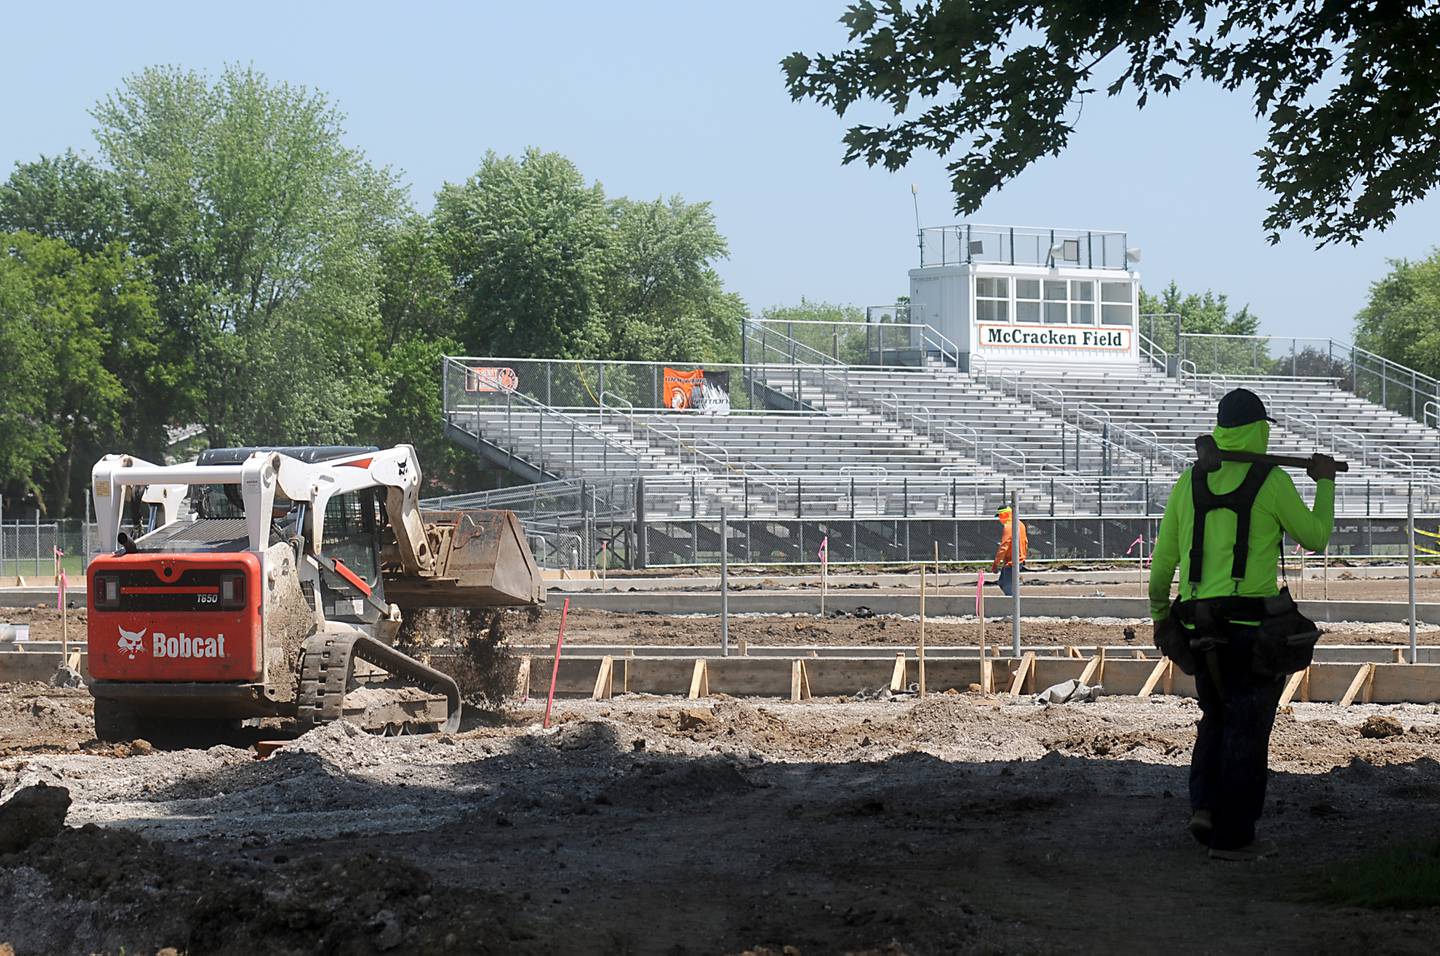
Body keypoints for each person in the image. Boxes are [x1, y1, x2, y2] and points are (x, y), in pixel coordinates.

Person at [1149, 388, 1337, 861]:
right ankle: (1233, 839)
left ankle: (1206, 808)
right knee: (1247, 728)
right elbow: (1315, 538)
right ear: (1260, 429)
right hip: (1252, 628)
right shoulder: (1270, 480)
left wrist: (1160, 618)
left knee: (1215, 716)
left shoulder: (1188, 482)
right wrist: (1326, 483)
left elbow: (1161, 566)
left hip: (1196, 624)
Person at [991, 505, 1027, 597]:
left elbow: (1004, 546)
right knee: (1002, 582)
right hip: (1018, 560)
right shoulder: (1020, 524)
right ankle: (1014, 602)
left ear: (1004, 515)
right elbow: (1026, 542)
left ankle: (1013, 605)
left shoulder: (1009, 527)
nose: (999, 519)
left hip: (1012, 562)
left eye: (999, 516)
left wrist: (996, 563)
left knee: (1007, 586)